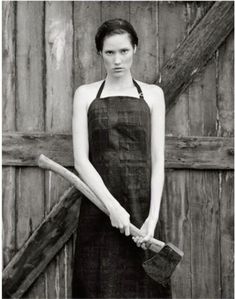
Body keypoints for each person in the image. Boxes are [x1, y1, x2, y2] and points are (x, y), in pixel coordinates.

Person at [72, 18, 171, 298]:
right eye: (110, 52)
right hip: (98, 208)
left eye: (124, 51)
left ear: (135, 49)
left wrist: (152, 218)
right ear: (99, 54)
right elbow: (81, 161)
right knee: (96, 285)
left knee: (146, 287)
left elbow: (157, 160)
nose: (117, 60)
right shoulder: (85, 95)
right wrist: (112, 206)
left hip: (141, 211)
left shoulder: (153, 95)